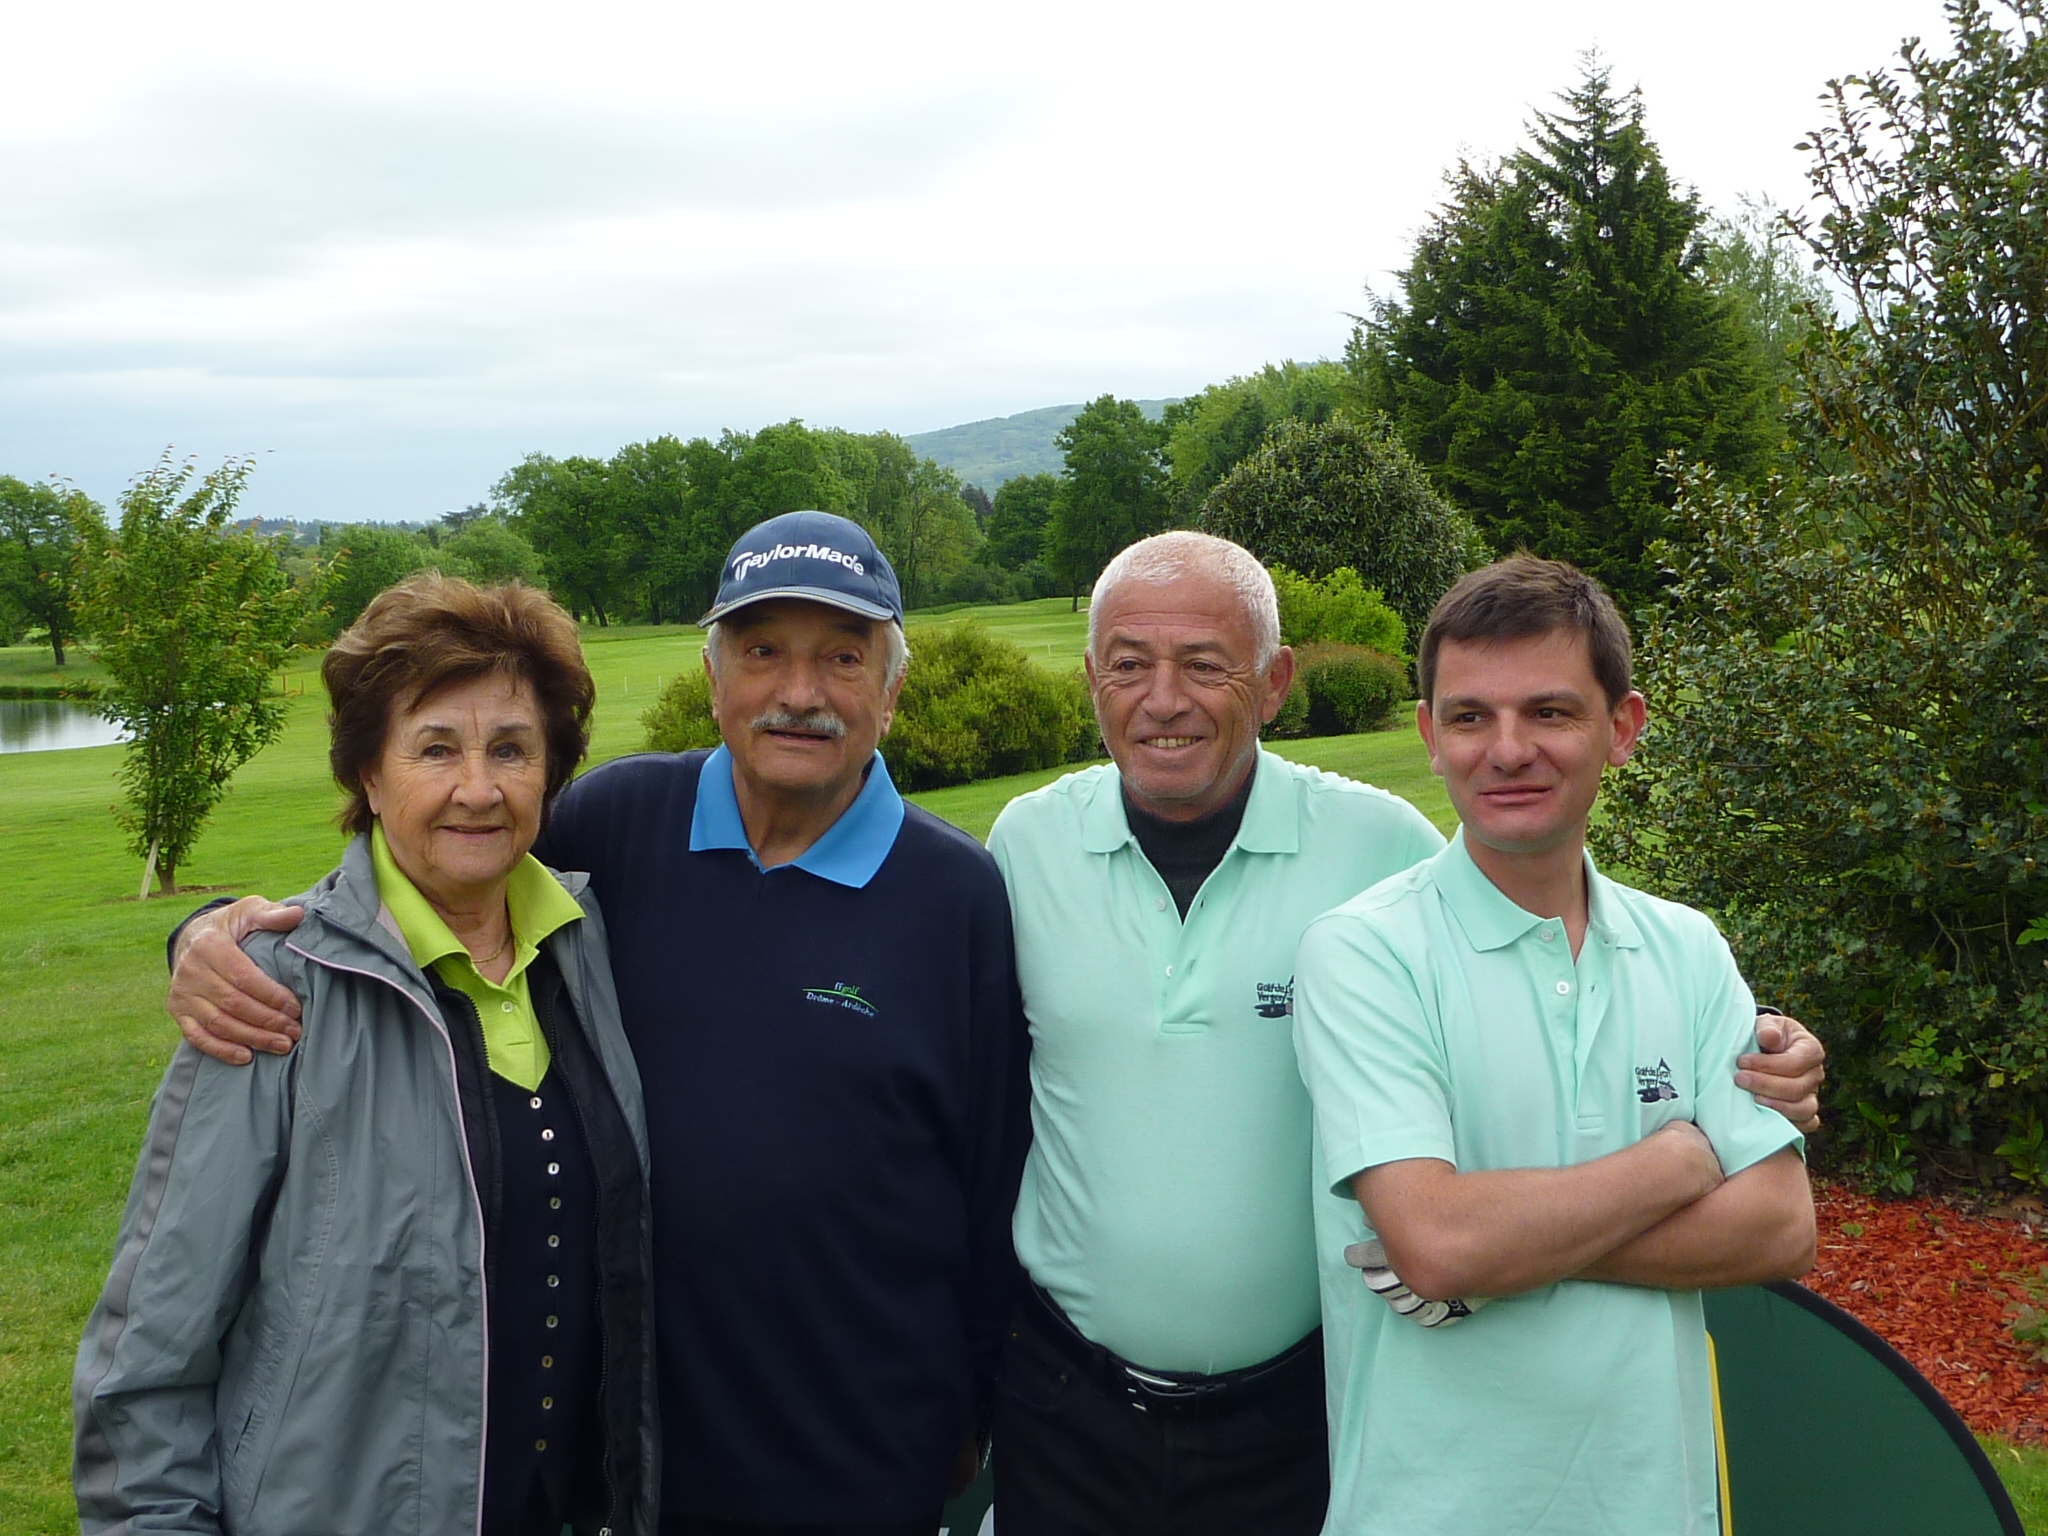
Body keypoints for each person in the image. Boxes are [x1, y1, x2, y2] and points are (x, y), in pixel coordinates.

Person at [161, 513, 1030, 1536]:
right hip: (627, 1468)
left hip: (862, 1458)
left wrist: (974, 1408)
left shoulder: (955, 893)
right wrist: (204, 934)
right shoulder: (614, 826)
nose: (799, 694)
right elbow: (433, 872)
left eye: (843, 658)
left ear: (891, 687)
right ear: (713, 678)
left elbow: (995, 1189)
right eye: (761, 653)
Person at [984, 532, 1824, 1536]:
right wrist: (1682, 1159)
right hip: (1066, 1397)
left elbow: (1507, 940)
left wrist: (1760, 1050)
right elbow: (968, 1094)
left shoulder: (1378, 846)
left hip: (1294, 1410)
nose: (1161, 698)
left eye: (1204, 664)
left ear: (1272, 681)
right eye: (1127, 664)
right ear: (1089, 679)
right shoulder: (1021, 847)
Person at [74, 574, 658, 1536]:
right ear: (368, 775)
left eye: (510, 749)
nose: (478, 787)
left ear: (549, 774)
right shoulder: (273, 988)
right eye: (435, 749)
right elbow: (150, 1356)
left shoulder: (588, 946)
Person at [1293, 555, 1817, 1535]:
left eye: (1548, 712)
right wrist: (1686, 1156)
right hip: (1426, 1511)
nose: (1505, 750)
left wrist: (1499, 1249)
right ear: (1426, 734)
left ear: (1621, 728)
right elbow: (1439, 1242)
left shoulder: (1685, 949)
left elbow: (1778, 1230)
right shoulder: (1363, 953)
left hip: (1651, 1508)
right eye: (1467, 717)